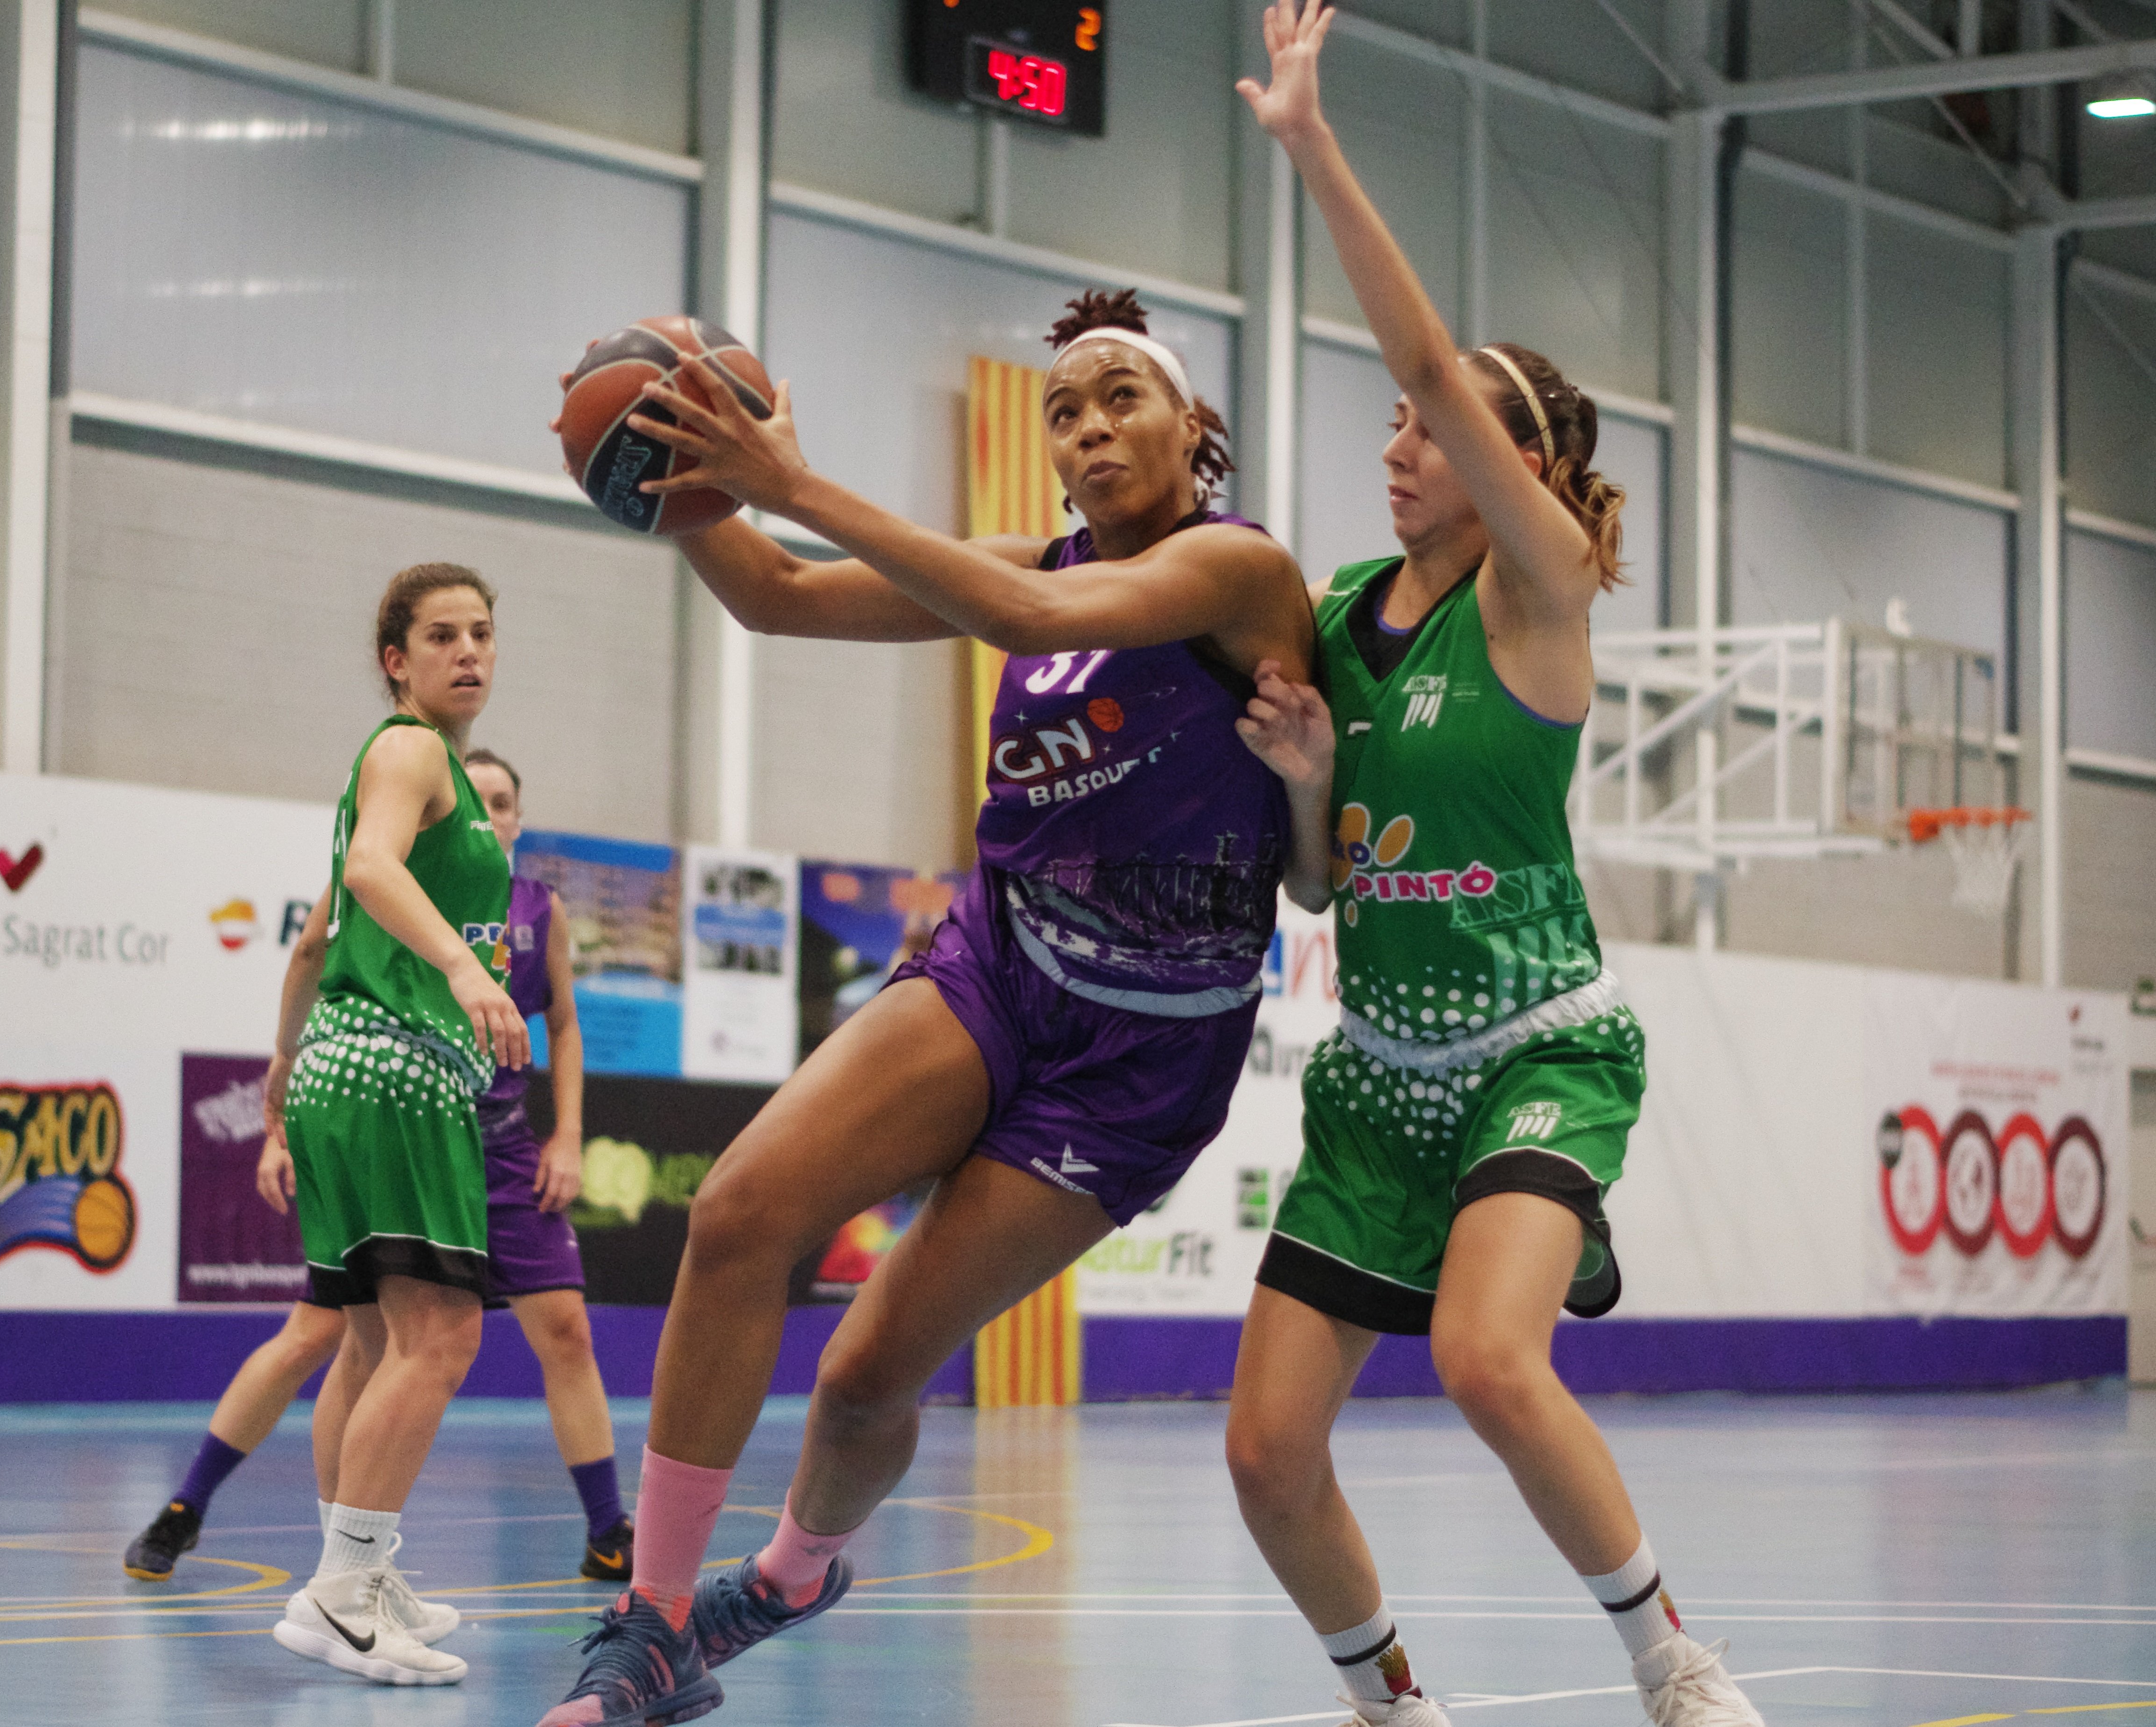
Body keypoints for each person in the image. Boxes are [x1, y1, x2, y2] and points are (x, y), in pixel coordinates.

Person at [532, 290, 1315, 1727]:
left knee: (867, 1372)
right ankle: (646, 1622)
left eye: (1118, 397)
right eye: (1063, 412)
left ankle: (788, 1574)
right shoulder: (1035, 556)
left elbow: (1030, 614)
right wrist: (679, 482)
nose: (1087, 428)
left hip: (1143, 1057)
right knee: (741, 1210)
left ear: (1192, 425)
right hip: (1002, 962)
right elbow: (774, 593)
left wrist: (798, 478)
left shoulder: (1241, 569)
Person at [1223, 8, 1770, 1727]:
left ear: (1513, 469)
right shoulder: (1326, 618)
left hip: (1539, 1049)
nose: (1399, 438)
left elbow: (1447, 372)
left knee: (1481, 1355)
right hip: (1378, 1079)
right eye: (1386, 422)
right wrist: (1307, 789)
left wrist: (1313, 147)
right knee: (1261, 1450)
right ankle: (1387, 1697)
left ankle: (1668, 1659)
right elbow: (1321, 893)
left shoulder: (1534, 595)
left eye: (1428, 421)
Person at [122, 749, 635, 1590]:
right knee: (326, 1339)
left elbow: (567, 1024)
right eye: (480, 796)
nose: (490, 812)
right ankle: (189, 1509)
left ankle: (608, 1529)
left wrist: (569, 1133)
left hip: (501, 1147)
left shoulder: (542, 912)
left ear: (513, 820)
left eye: (504, 802)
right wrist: (279, 1119)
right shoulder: (383, 874)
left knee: (566, 1330)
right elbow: (306, 965)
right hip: (400, 1123)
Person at [265, 562, 527, 1688]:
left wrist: (283, 1076)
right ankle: (342, 1591)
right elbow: (367, 869)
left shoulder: (441, 783)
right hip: (394, 1072)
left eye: (480, 633)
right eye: (440, 636)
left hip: (343, 1069)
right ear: (396, 660)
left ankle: (353, 1571)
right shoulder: (411, 750)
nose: (467, 651)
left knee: (372, 1344)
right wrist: (465, 968)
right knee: (443, 1338)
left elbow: (317, 940)